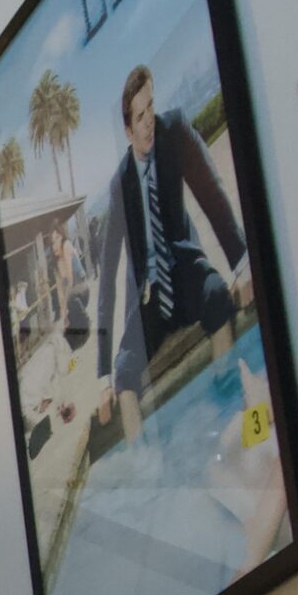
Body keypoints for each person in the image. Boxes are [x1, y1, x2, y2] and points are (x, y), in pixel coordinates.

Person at [93, 65, 253, 447]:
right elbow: (107, 284)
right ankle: (144, 465)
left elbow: (212, 196)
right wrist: (103, 378)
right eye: (140, 117)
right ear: (128, 131)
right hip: (148, 300)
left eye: (151, 109)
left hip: (186, 273)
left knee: (218, 297)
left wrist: (242, 266)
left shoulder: (175, 131)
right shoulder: (120, 185)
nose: (149, 123)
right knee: (125, 373)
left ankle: (226, 407)